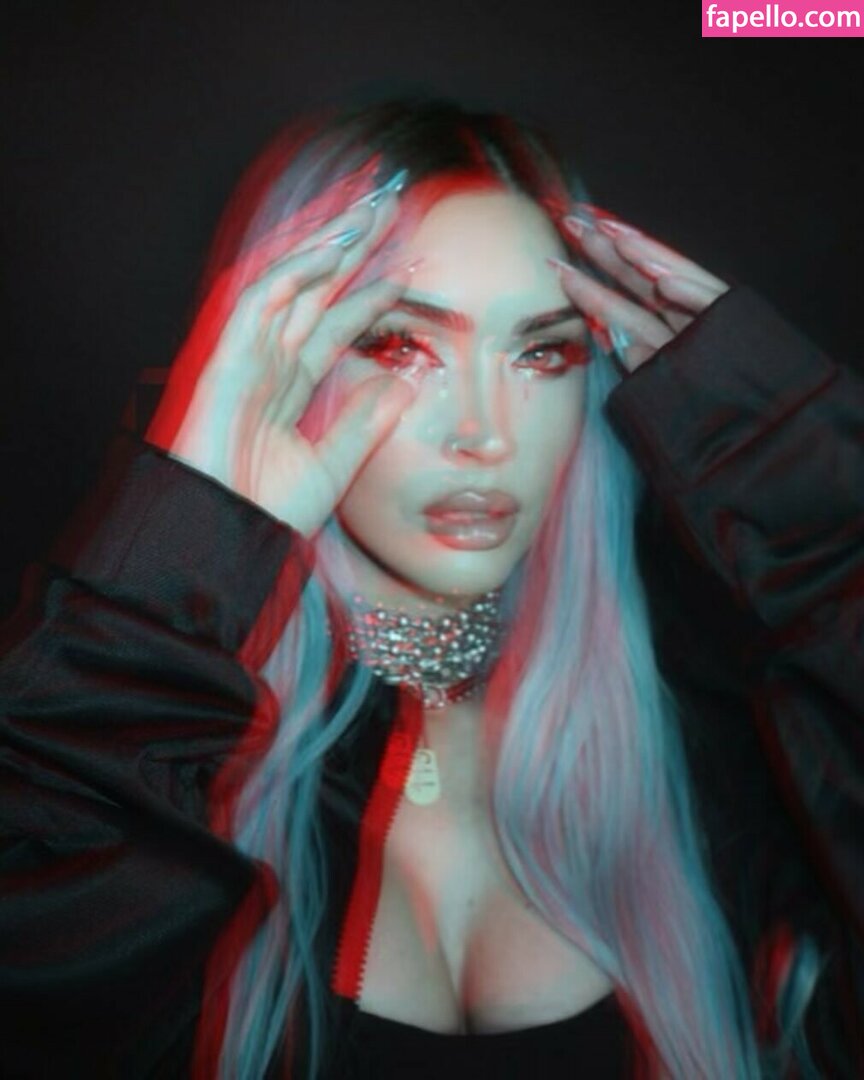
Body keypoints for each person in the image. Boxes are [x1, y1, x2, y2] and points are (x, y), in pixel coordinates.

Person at [0, 97, 861, 1080]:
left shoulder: (719, 772)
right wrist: (181, 541)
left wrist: (811, 490)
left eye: (542, 351)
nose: (484, 432)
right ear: (275, 357)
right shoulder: (151, 775)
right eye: (401, 344)